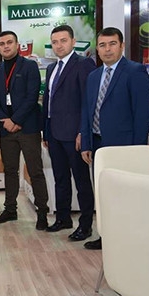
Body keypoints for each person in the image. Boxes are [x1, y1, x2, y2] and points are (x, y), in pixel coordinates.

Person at [80, 26, 149, 250]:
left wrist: (137, 150)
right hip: (97, 144)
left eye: (112, 44)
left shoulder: (135, 71)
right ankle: (106, 237)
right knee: (104, 194)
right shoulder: (93, 76)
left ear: (122, 45)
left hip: (124, 147)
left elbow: (143, 114)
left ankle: (128, 240)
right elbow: (87, 111)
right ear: (97, 49)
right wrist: (86, 143)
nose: (107, 49)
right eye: (102, 45)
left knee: (125, 194)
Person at [0, 31, 49, 230]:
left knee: (35, 171)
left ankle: (42, 212)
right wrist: (6, 121)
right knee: (10, 171)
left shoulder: (30, 66)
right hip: (6, 130)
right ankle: (10, 209)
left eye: (9, 42)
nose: (6, 46)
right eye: (2, 44)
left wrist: (15, 120)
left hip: (28, 127)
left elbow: (32, 96)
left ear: (17, 45)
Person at [42, 25, 97, 241]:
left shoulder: (84, 64)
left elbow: (87, 102)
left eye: (63, 41)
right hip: (54, 134)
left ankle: (85, 225)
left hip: (74, 135)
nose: (59, 45)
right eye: (55, 42)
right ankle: (63, 218)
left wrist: (83, 132)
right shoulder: (51, 68)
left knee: (82, 181)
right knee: (60, 178)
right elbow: (48, 104)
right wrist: (46, 133)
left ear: (73, 42)